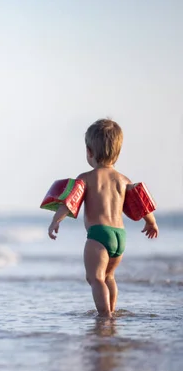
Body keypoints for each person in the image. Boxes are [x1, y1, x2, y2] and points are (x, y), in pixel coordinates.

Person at [47, 119, 159, 317]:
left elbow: (69, 203)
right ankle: (111, 311)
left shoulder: (86, 178)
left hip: (99, 234)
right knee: (109, 276)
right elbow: (142, 204)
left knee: (95, 278)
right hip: (120, 236)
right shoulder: (123, 180)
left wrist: (56, 221)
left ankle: (105, 315)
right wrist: (152, 223)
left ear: (89, 152)